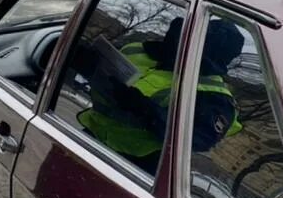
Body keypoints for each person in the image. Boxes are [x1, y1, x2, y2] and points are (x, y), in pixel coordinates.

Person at [77, 18, 244, 173]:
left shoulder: (215, 96)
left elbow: (197, 139)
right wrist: (86, 64)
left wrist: (146, 110)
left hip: (131, 168)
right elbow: (103, 80)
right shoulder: (137, 49)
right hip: (83, 138)